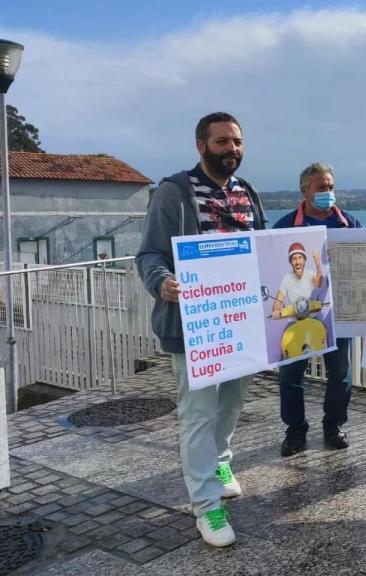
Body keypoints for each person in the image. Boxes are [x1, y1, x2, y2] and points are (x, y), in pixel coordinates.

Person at [136, 112, 267, 547]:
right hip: (194, 328)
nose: (232, 149)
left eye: (237, 141)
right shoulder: (173, 193)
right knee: (197, 415)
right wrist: (161, 283)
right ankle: (207, 506)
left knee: (230, 406)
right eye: (222, 141)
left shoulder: (247, 193)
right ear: (201, 146)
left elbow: (262, 251)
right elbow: (149, 253)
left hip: (241, 324)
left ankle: (221, 460)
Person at [272, 162, 362, 457]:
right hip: (297, 316)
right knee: (290, 375)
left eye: (331, 187)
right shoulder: (285, 227)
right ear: (305, 190)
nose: (328, 193)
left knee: (341, 374)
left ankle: (333, 425)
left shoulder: (350, 225)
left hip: (339, 314)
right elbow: (272, 270)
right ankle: (295, 429)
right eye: (321, 188)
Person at [271, 242, 323, 319]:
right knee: (286, 331)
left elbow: (319, 283)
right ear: (291, 262)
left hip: (312, 318)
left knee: (322, 329)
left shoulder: (310, 274)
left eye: (300, 257)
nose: (297, 262)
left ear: (304, 260)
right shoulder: (287, 278)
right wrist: (276, 310)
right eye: (294, 259)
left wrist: (318, 264)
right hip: (294, 320)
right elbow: (278, 300)